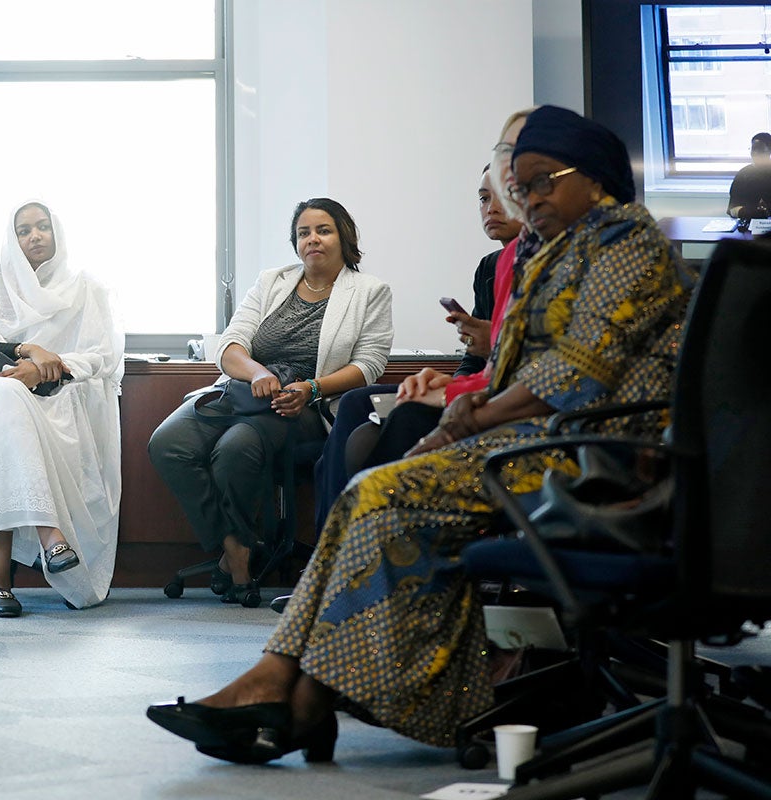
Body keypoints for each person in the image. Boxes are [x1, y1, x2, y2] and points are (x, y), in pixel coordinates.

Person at [146, 106, 696, 762]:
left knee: (383, 498)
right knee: (367, 491)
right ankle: (289, 687)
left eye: (546, 181)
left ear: (598, 178)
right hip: (540, 444)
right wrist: (460, 415)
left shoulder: (623, 239)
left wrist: (472, 415)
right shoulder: (556, 252)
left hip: (595, 459)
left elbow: (579, 373)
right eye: (523, 187)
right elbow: (513, 369)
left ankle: (295, 696)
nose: (532, 199)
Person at [148, 198, 393, 603]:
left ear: (344, 236)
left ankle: (240, 559)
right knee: (168, 443)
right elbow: (230, 344)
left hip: (304, 404)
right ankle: (234, 545)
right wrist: (257, 372)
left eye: (324, 230)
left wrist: (311, 388)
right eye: (303, 232)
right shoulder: (272, 281)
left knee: (235, 449)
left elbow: (370, 364)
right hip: (242, 391)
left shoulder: (369, 292)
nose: (312, 239)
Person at [0, 200, 124, 617]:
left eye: (42, 227)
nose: (34, 236)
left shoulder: (85, 286)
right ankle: (49, 535)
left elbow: (101, 354)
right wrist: (29, 350)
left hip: (48, 397)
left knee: (8, 409)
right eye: (24, 230)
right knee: (4, 397)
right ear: (13, 238)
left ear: (57, 233)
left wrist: (43, 372)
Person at [311, 165, 522, 534]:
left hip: (508, 393)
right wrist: (444, 382)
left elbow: (537, 359)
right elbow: (475, 358)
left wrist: (492, 347)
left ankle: (368, 536)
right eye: (483, 198)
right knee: (357, 401)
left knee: (404, 415)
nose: (491, 208)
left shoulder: (543, 264)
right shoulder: (489, 267)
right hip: (482, 381)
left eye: (502, 197)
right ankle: (331, 539)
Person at [727, 132, 771, 222]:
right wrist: (749, 212)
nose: (755, 153)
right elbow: (732, 209)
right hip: (747, 226)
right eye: (753, 149)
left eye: (760, 150)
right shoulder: (743, 174)